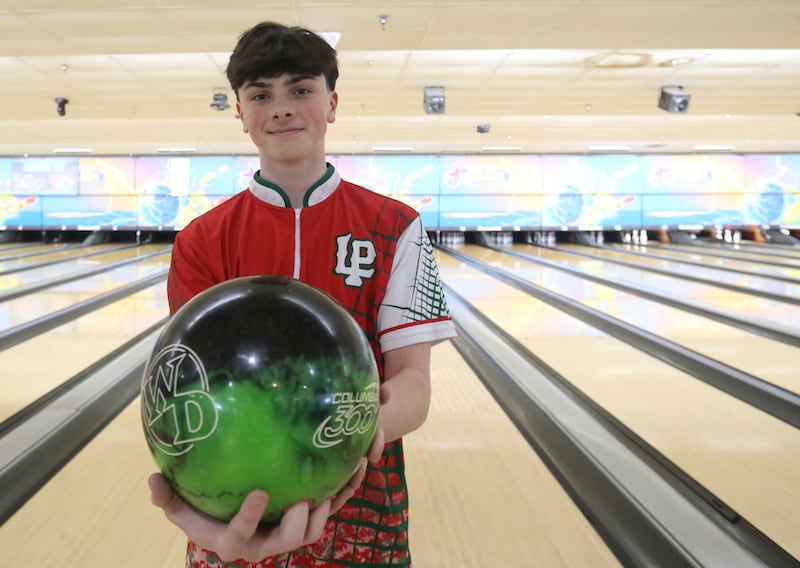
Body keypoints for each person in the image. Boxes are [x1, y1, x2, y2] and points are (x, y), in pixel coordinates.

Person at [148, 20, 456, 567]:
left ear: (331, 103)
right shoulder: (201, 239)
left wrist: (350, 435)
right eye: (260, 95)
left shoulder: (396, 227)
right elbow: (188, 383)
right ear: (240, 112)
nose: (282, 109)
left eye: (301, 89)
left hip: (363, 507)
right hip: (234, 510)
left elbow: (414, 382)